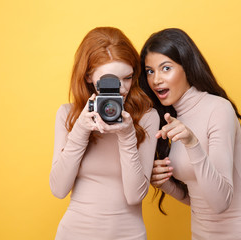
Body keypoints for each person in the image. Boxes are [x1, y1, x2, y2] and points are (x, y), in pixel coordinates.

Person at [139, 28, 241, 239]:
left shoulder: (219, 110)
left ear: (187, 67)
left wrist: (193, 143)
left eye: (166, 68)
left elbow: (220, 202)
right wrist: (164, 183)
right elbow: (199, 198)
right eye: (150, 71)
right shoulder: (169, 119)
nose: (156, 79)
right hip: (203, 233)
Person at [49, 27, 159, 240]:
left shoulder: (147, 117)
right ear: (89, 76)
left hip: (129, 235)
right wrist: (80, 130)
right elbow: (58, 189)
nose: (120, 89)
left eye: (126, 78)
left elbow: (135, 195)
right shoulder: (68, 115)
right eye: (109, 81)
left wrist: (127, 136)